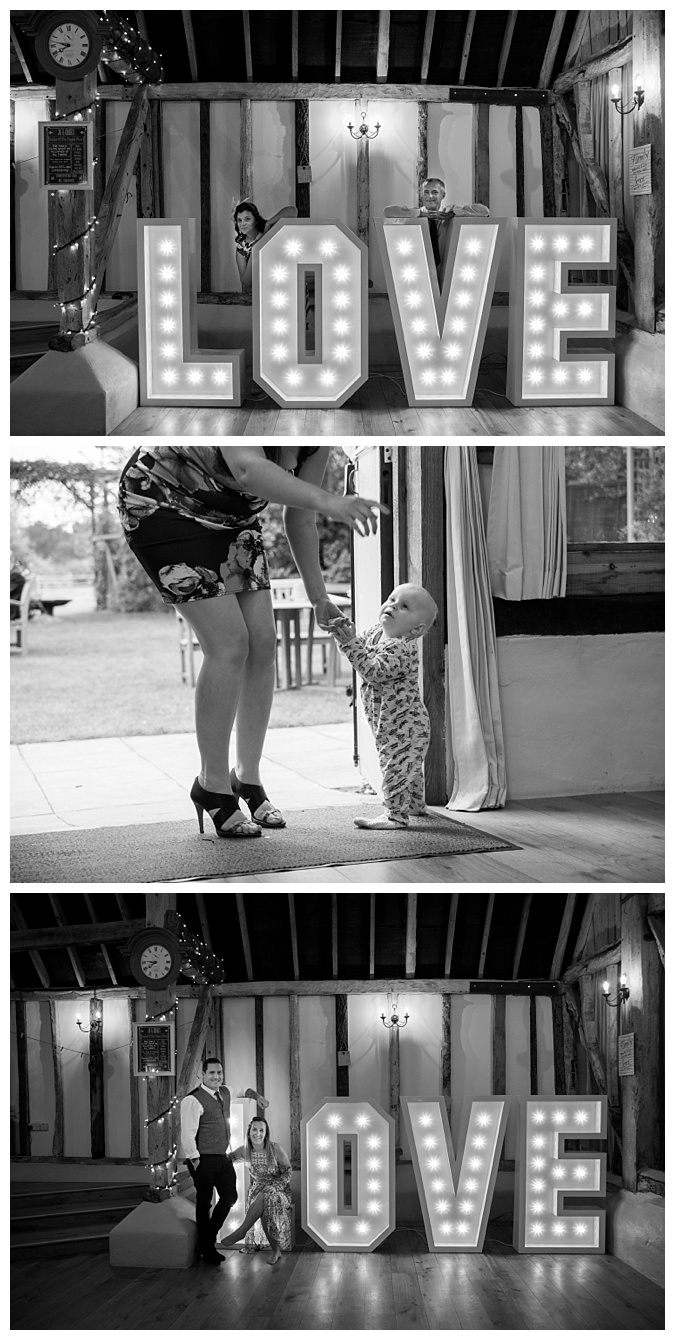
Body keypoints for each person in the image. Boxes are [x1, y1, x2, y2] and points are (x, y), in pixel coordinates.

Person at [118, 446, 383, 839]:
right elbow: (246, 470)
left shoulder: (315, 443)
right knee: (228, 644)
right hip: (164, 500)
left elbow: (301, 518)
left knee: (262, 644)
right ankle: (211, 782)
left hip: (235, 519)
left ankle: (247, 777)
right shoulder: (255, 412)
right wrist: (332, 501)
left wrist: (318, 597)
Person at [330, 583, 438, 830]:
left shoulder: (401, 647)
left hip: (406, 725)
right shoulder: (377, 632)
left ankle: (395, 816)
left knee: (394, 770)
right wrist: (344, 636)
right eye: (392, 599)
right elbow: (356, 648)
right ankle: (415, 805)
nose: (392, 606)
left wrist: (350, 645)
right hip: (390, 724)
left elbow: (372, 670)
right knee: (406, 768)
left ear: (417, 629)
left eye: (404, 607)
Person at [179, 1058, 268, 1265]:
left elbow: (244, 1089)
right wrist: (194, 1159)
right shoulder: (192, 1100)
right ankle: (208, 1248)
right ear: (202, 1074)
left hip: (222, 1157)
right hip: (202, 1159)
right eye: (211, 1073)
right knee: (204, 1203)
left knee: (230, 1196)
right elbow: (188, 1134)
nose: (216, 1076)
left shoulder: (224, 1092)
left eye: (219, 1072)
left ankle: (206, 1240)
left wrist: (258, 1097)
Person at [383, 176, 490, 279]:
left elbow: (484, 211)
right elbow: (387, 212)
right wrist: (421, 214)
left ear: (443, 195)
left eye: (434, 192)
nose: (430, 196)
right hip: (418, 271)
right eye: (426, 192)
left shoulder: (450, 211)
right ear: (421, 195)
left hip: (449, 269)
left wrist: (454, 213)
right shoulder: (414, 214)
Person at [220, 1117, 292, 1265]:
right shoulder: (244, 1150)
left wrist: (275, 1186)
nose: (257, 1133)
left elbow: (288, 1172)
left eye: (261, 1130)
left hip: (279, 1190)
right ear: (249, 1132)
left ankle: (242, 1231)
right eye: (254, 1129)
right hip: (257, 1192)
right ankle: (276, 1251)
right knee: (264, 1201)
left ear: (266, 1133)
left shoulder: (275, 1149)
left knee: (267, 1197)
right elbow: (225, 1161)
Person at [234, 200, 299, 293]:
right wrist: (255, 251)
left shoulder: (269, 229)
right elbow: (246, 282)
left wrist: (268, 224)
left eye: (247, 219)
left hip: (288, 282)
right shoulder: (241, 249)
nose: (242, 224)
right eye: (239, 220)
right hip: (267, 292)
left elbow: (292, 211)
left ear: (255, 220)